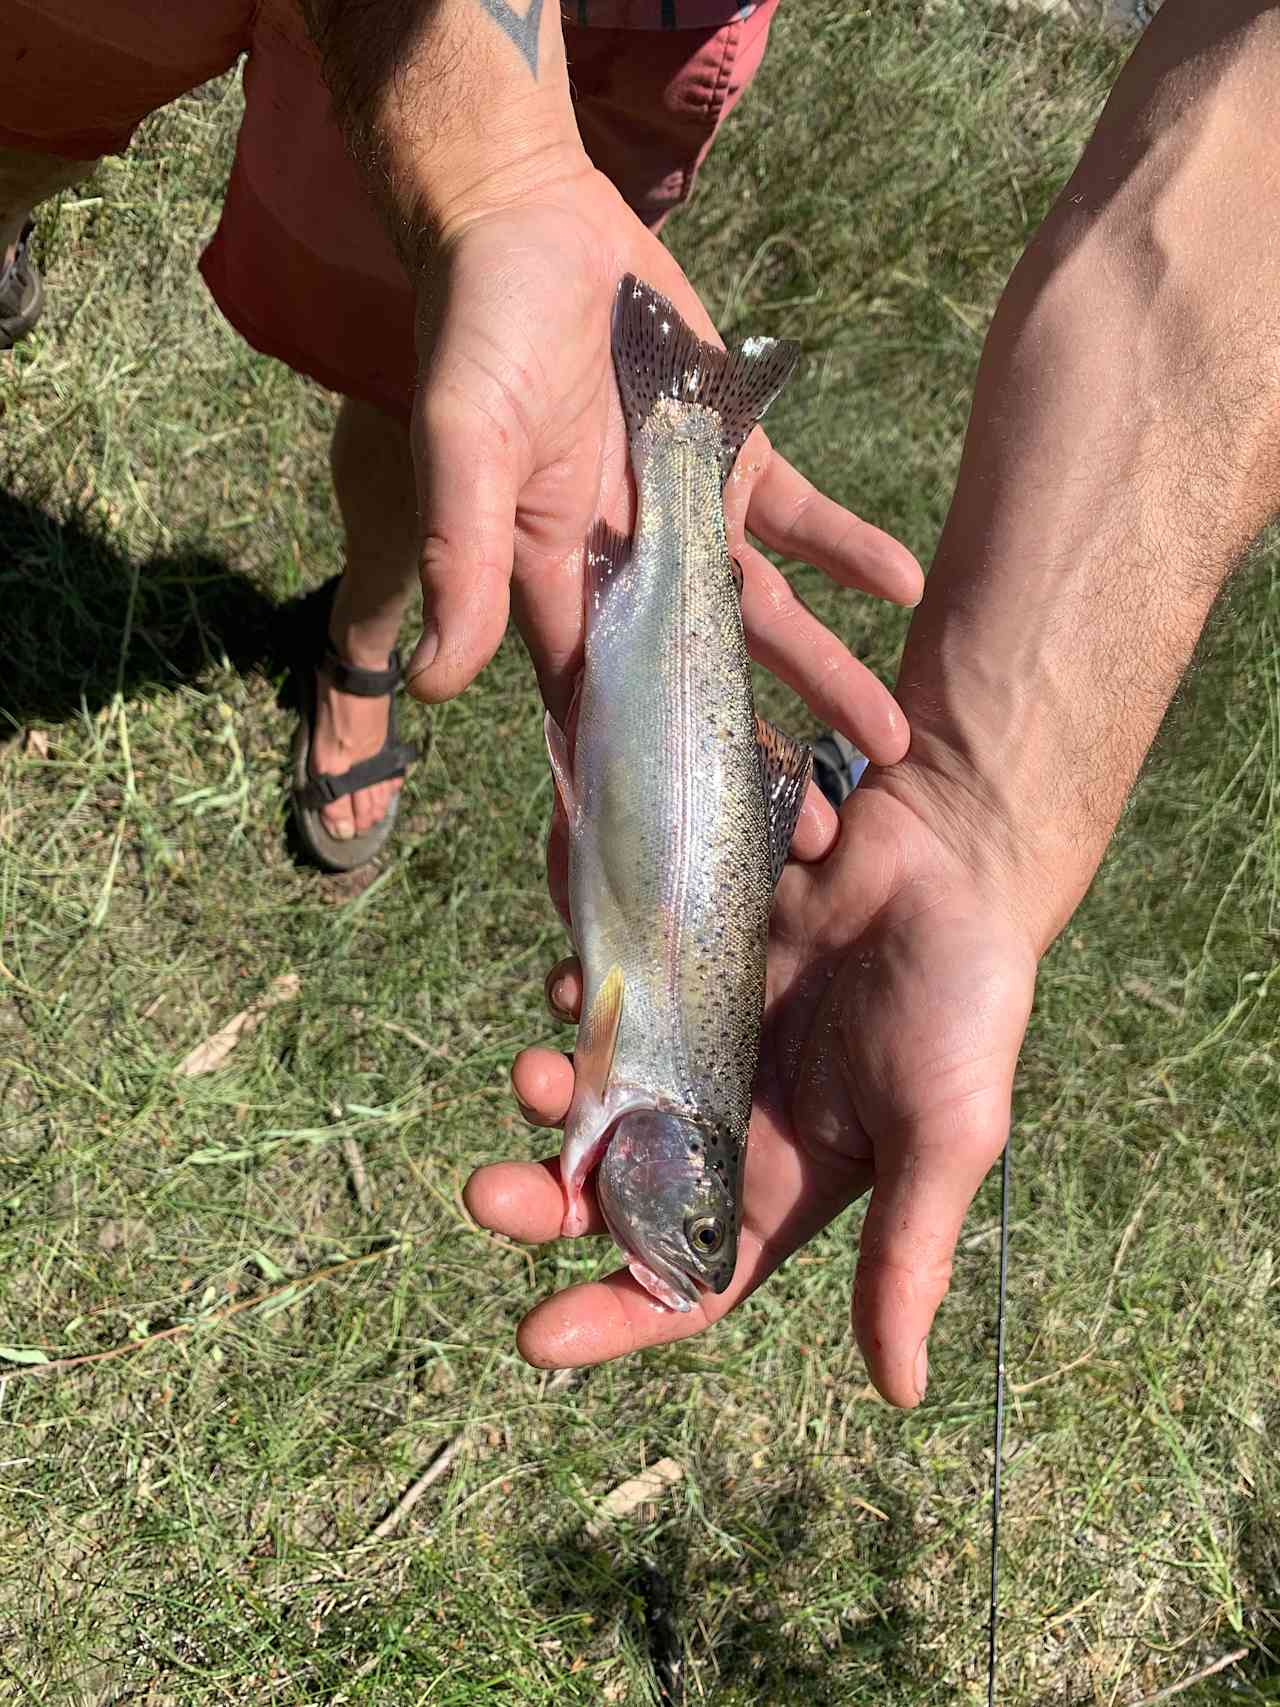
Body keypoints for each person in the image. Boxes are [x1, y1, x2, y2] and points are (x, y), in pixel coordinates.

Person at [9, 1, 1275, 1408]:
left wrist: (985, 806)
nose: (679, 1238)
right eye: (696, 1218)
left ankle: (372, 616)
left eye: (688, 1222)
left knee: (426, 357)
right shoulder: (646, 1078)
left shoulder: (632, 1082)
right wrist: (488, 163)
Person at [1, 0, 917, 873]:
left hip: (634, 27)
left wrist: (502, 184)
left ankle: (360, 636)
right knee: (32, 92)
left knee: (441, 364)